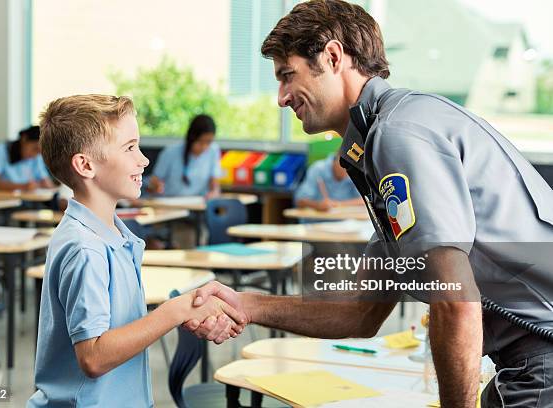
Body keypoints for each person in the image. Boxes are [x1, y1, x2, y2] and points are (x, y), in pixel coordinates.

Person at [184, 1, 553, 407]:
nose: (281, 97)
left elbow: (455, 301)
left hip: (541, 359)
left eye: (288, 75)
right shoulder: (381, 139)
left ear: (333, 56)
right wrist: (248, 304)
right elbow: (359, 312)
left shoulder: (398, 135)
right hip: (526, 361)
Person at [28, 95, 243, 407]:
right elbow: (94, 357)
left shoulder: (114, 234)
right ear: (85, 165)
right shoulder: (85, 248)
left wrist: (186, 312)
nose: (143, 160)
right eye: (129, 148)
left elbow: (120, 331)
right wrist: (174, 311)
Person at [147, 114, 221, 198]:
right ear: (192, 138)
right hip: (171, 203)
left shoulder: (213, 150)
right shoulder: (170, 152)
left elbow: (214, 182)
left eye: (208, 142)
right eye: (200, 142)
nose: (204, 147)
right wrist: (155, 186)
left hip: (198, 204)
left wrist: (214, 192)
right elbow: (154, 182)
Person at [0, 125, 55, 191]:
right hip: (7, 200)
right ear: (24, 139)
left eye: (39, 152)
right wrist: (24, 187)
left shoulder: (36, 157)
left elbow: (46, 182)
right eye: (35, 149)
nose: (35, 155)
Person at [294, 152, 361, 211]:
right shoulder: (318, 170)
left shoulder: (353, 172)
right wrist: (318, 206)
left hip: (345, 223)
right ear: (337, 159)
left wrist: (337, 204)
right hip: (316, 222)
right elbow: (300, 201)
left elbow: (363, 201)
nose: (346, 172)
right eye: (345, 166)